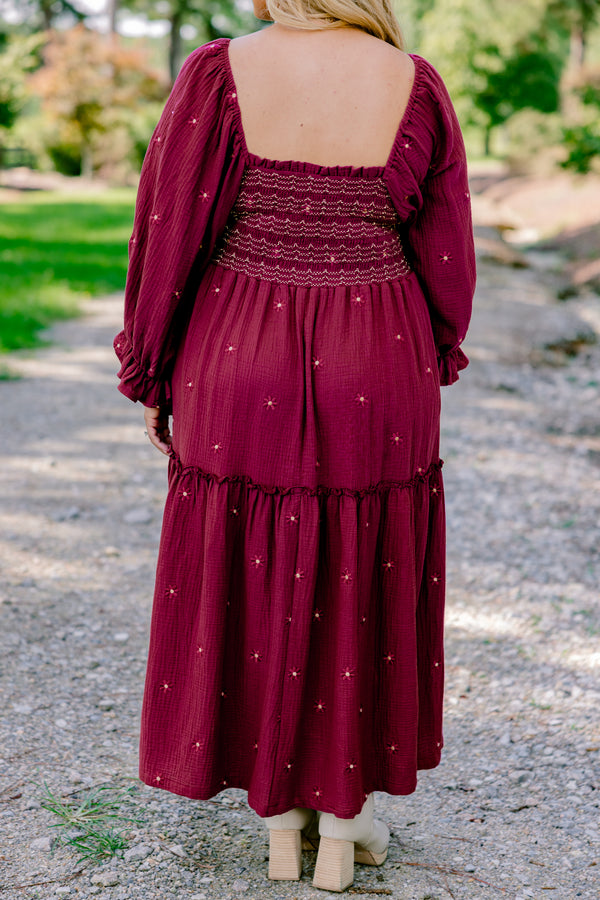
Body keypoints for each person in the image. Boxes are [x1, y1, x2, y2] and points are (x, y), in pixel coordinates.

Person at [114, 0, 476, 892]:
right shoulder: (415, 83)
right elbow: (448, 259)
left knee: (252, 566)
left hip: (238, 347)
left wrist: (152, 368)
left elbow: (169, 235)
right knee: (367, 570)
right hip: (378, 352)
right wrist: (428, 354)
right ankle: (346, 824)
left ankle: (281, 821)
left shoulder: (215, 72)